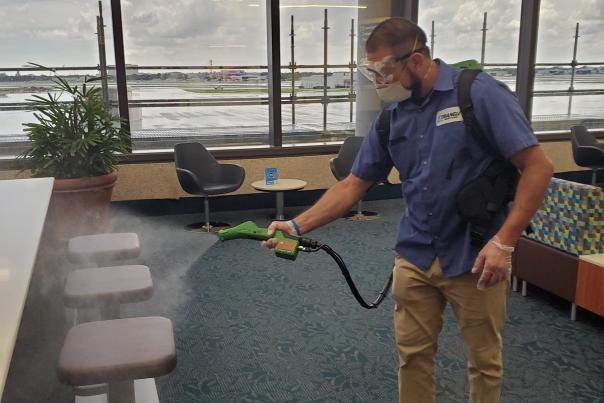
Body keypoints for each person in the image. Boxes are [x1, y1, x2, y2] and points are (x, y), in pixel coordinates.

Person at [263, 17, 554, 403]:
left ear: (416, 61)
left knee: (484, 362)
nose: (378, 82)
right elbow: (353, 184)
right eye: (371, 73)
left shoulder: (479, 94)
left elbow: (538, 167)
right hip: (415, 254)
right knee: (412, 358)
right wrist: (297, 226)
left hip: (477, 254)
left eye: (384, 71)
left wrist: (505, 243)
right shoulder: (393, 118)